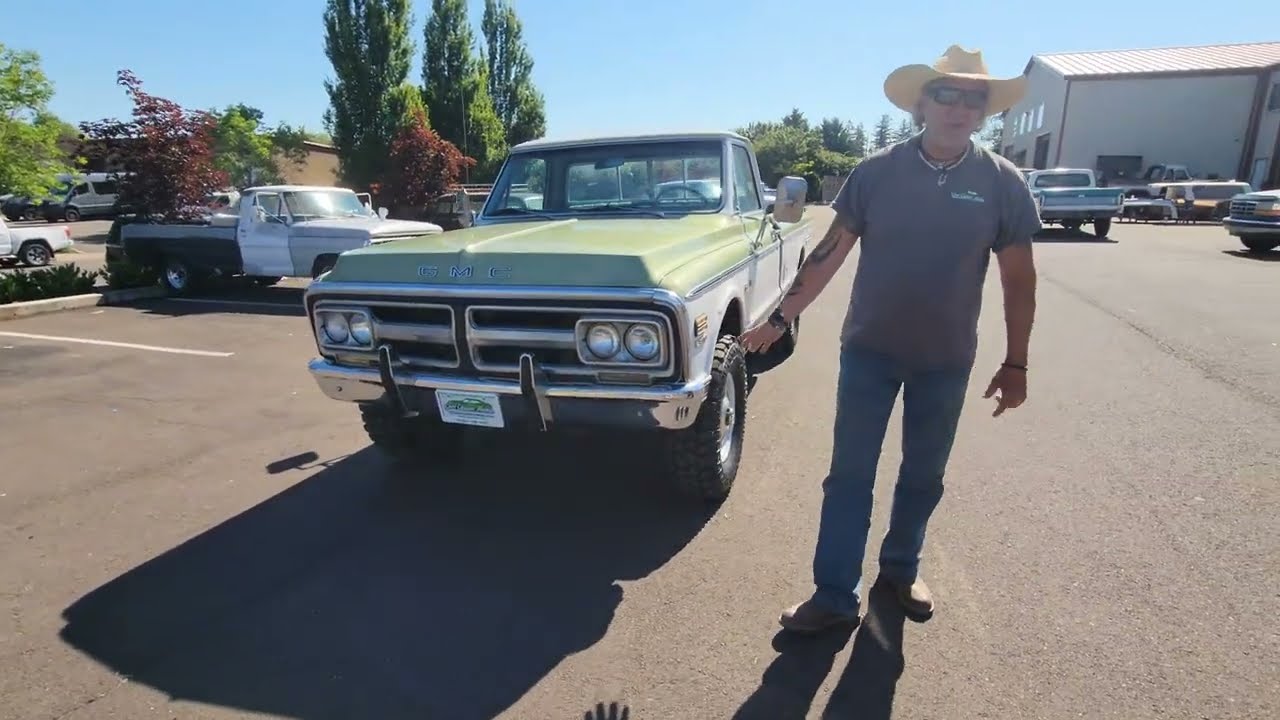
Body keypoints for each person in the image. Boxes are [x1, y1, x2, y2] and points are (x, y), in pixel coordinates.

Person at [741, 45, 1041, 634]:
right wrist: (778, 319)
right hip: (869, 354)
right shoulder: (876, 173)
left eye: (971, 98)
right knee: (849, 473)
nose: (958, 107)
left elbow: (1018, 278)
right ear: (922, 103)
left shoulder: (1002, 183)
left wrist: (1017, 363)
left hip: (946, 360)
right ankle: (833, 596)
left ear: (983, 113)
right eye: (945, 94)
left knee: (923, 475)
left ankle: (900, 570)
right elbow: (829, 255)